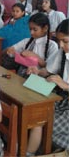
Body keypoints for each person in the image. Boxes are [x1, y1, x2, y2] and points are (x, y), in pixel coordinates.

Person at [26, 19, 69, 155]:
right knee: (36, 111)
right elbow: (49, 70)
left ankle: (30, 151)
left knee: (41, 119)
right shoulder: (62, 53)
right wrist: (38, 72)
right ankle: (29, 151)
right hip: (61, 99)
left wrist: (65, 85)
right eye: (59, 41)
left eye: (65, 41)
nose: (61, 45)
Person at [5, 12, 58, 77]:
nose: (31, 32)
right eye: (30, 29)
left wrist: (35, 56)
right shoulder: (26, 41)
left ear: (45, 28)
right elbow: (12, 50)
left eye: (35, 29)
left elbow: (50, 68)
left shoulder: (52, 46)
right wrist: (10, 50)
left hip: (38, 80)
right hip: (21, 75)